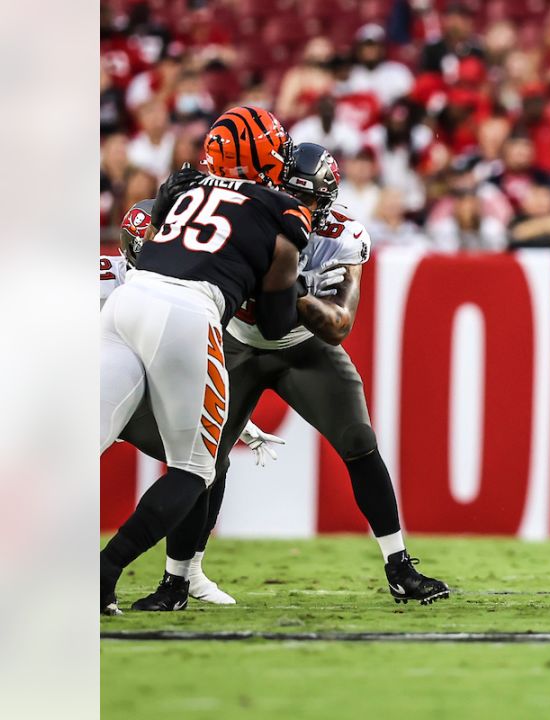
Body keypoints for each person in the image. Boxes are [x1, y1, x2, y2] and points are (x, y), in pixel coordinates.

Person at [128, 143, 450, 611]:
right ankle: (175, 581)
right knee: (203, 463)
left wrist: (295, 298)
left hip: (303, 347)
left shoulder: (341, 235)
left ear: (330, 198)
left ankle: (399, 567)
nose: (305, 208)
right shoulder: (252, 211)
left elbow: (340, 324)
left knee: (359, 441)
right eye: (293, 195)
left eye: (314, 200)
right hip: (236, 343)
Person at [100, 106, 311, 615]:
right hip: (188, 313)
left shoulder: (184, 187)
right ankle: (103, 573)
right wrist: (291, 293)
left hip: (127, 301)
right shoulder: (285, 211)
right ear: (263, 157)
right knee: (196, 469)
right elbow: (277, 325)